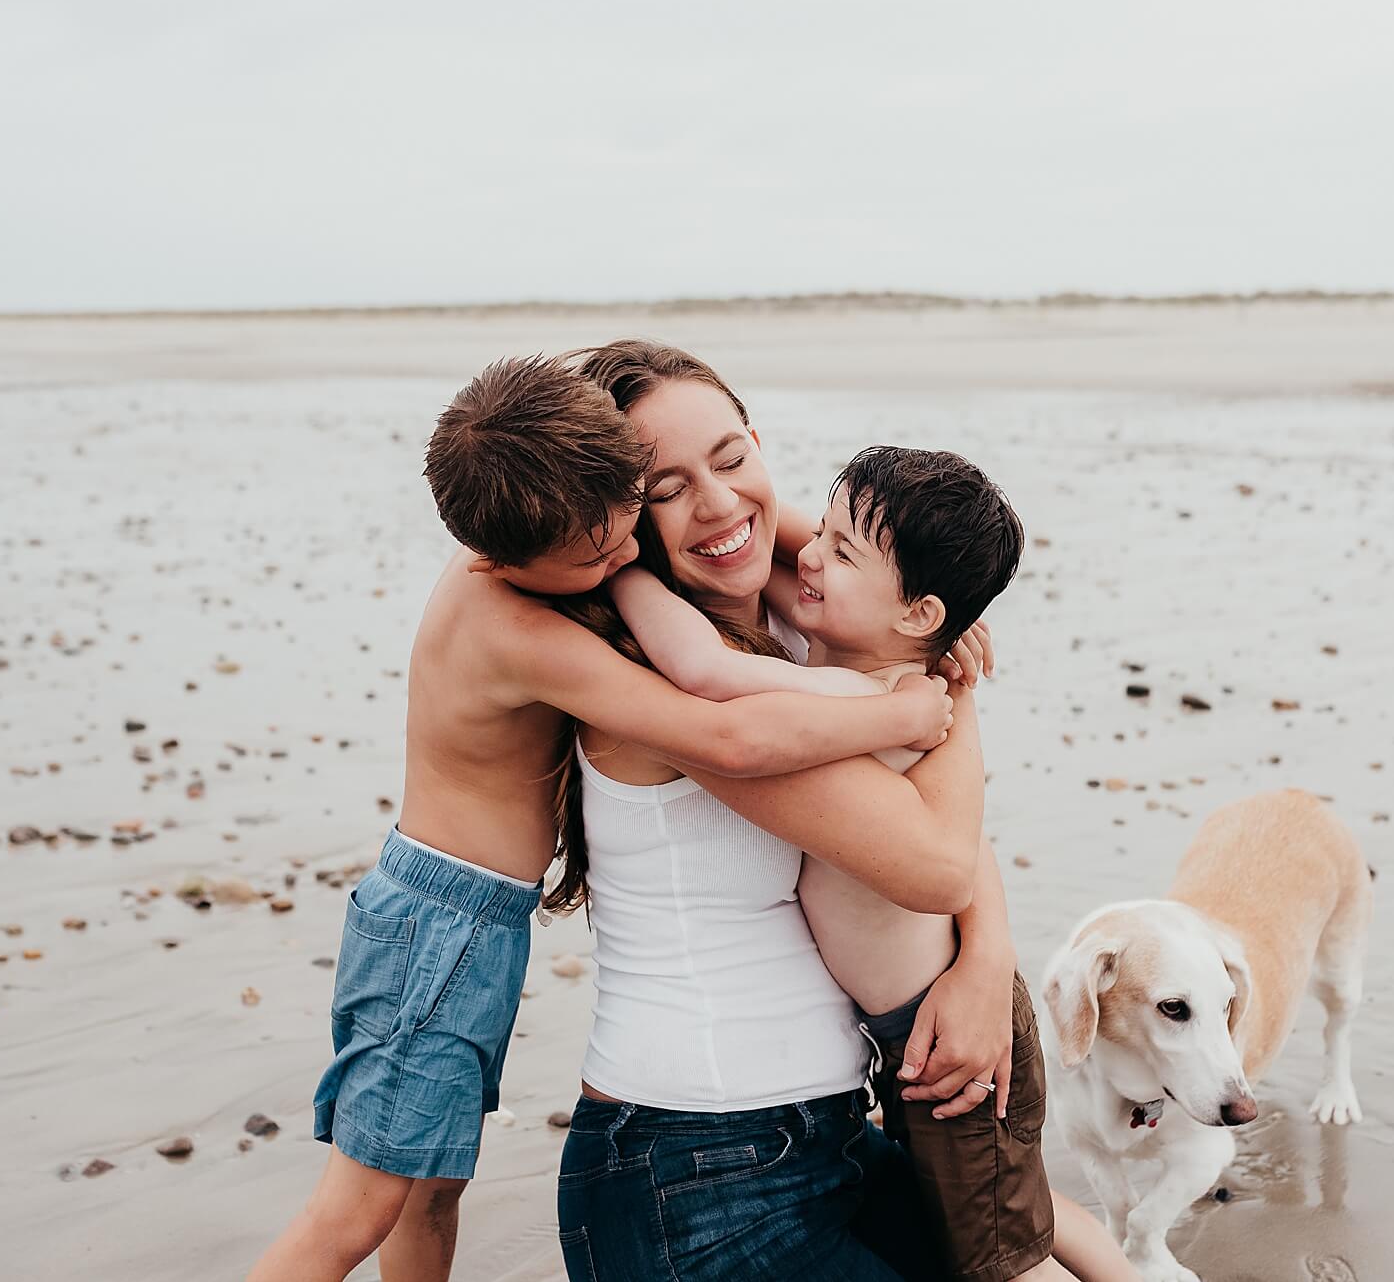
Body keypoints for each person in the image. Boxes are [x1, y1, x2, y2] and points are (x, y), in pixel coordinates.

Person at [246, 354, 952, 1282]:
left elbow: (746, 507)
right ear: (506, 561)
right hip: (444, 922)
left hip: (483, 921)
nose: (621, 559)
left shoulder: (557, 520)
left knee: (430, 1186)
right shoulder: (526, 625)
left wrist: (922, 620)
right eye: (606, 548)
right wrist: (907, 704)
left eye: (625, 522)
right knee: (365, 1200)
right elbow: (724, 732)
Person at [553, 340, 1029, 1281]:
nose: (720, 503)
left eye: (732, 459)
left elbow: (934, 810)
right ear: (618, 514)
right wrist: (939, 681)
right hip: (696, 1166)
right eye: (665, 487)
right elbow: (930, 858)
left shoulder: (794, 615)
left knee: (1032, 1246)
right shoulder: (672, 682)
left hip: (829, 1136)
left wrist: (989, 956)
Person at [612, 444, 1136, 1281]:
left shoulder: (898, 703)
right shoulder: (855, 649)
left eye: (839, 551)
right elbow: (784, 549)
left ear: (920, 613)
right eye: (817, 532)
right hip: (912, 1039)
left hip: (950, 1042)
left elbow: (710, 677)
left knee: (1000, 1261)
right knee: (1009, 1219)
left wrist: (627, 574)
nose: (807, 555)